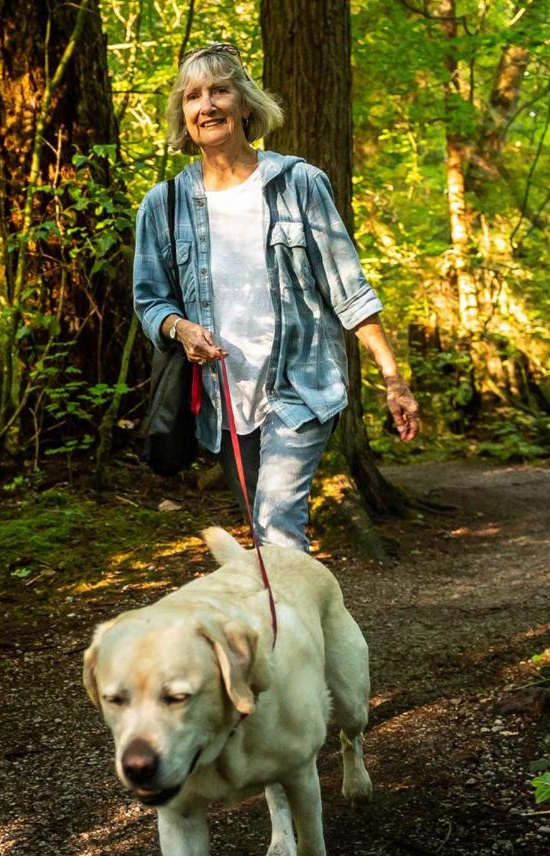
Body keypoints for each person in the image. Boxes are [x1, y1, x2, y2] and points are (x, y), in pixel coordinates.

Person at [132, 42, 421, 552]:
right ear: (184, 114)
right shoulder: (164, 205)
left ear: (245, 103)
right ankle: (313, 628)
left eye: (220, 90)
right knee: (267, 534)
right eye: (193, 96)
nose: (207, 106)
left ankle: (290, 633)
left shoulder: (298, 184)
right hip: (223, 399)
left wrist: (393, 380)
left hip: (302, 384)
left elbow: (349, 288)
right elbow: (151, 300)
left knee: (278, 524)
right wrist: (180, 329)